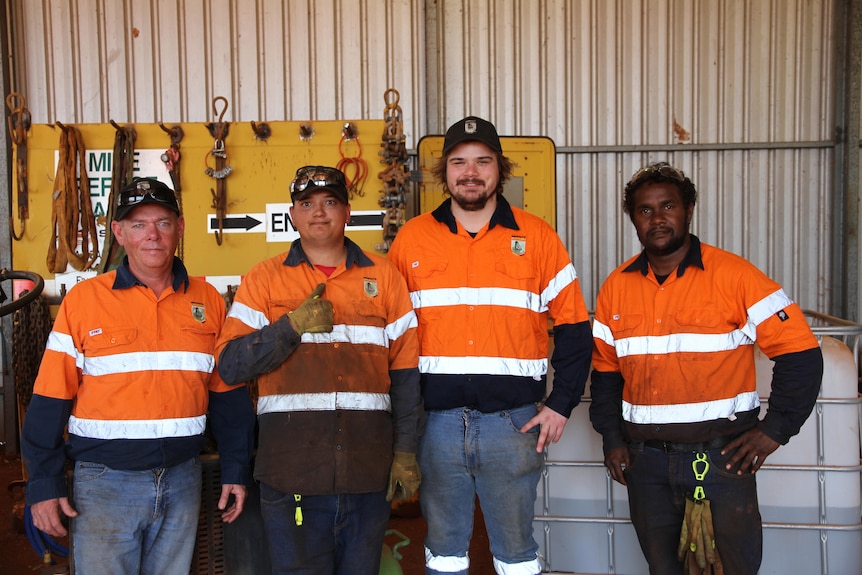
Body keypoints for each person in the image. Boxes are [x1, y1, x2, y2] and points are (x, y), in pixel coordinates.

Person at [589, 161, 824, 575]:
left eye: (668, 206)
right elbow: (606, 374)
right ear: (633, 218)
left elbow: (801, 354)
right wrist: (611, 438)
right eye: (645, 210)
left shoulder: (735, 277)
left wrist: (775, 430)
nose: (657, 218)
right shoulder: (616, 287)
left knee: (731, 569)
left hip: (720, 463)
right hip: (646, 465)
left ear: (689, 209)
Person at [388, 117, 593, 575]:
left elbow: (577, 329)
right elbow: (392, 335)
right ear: (445, 171)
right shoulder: (412, 239)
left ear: (500, 169)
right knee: (442, 551)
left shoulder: (537, 237)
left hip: (514, 425)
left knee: (516, 555)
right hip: (434, 425)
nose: (471, 172)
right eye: (459, 162)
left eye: (483, 161)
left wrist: (560, 405)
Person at [21, 177, 256, 575]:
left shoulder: (207, 301)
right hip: (105, 485)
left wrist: (236, 468)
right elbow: (49, 399)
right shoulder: (85, 300)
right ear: (118, 232)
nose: (152, 235)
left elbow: (227, 396)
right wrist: (43, 483)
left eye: (163, 223)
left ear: (180, 229)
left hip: (183, 478)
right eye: (138, 224)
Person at [215, 165, 424, 575]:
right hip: (293, 474)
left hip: (368, 471)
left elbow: (405, 376)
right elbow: (231, 364)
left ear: (347, 212)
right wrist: (290, 327)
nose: (319, 213)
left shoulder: (385, 278)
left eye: (330, 202)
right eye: (307, 204)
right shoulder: (264, 279)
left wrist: (405, 452)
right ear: (292, 215)